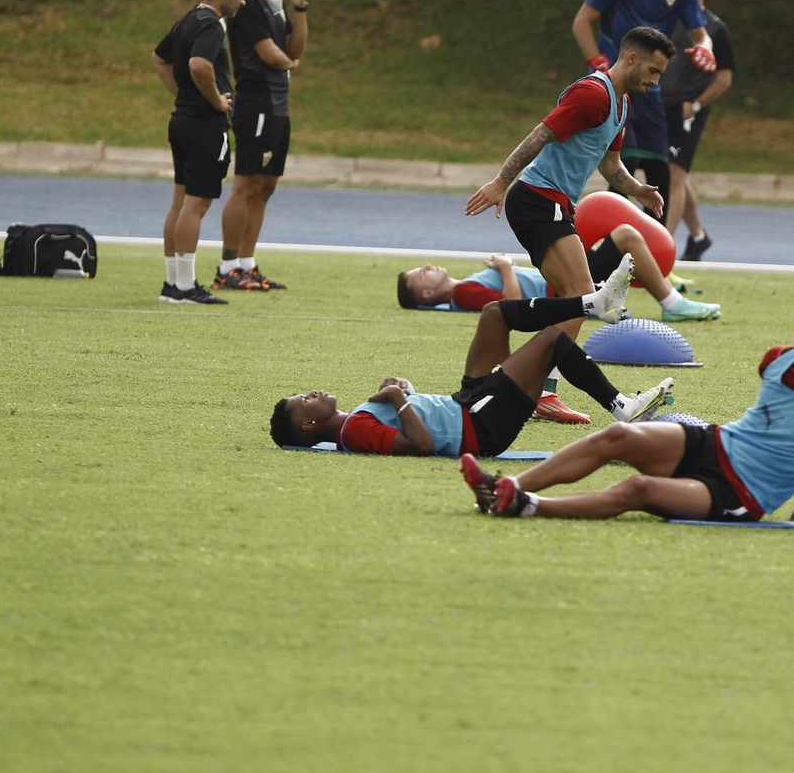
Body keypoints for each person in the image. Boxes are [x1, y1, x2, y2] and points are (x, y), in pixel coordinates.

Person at [459, 302, 794, 530]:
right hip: (714, 444)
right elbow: (793, 433)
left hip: (738, 493)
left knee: (638, 491)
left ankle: (527, 508)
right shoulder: (776, 359)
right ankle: (514, 485)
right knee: (618, 436)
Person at [270, 278, 676, 456]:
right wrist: (396, 397)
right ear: (308, 425)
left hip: (467, 405)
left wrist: (405, 393)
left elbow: (417, 423)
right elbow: (422, 446)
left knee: (494, 313)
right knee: (552, 339)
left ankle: (592, 304)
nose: (315, 392)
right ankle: (620, 405)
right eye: (306, 400)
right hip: (480, 427)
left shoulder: (355, 421)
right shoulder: (351, 431)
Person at [465, 25, 675, 342]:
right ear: (632, 58)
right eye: (653, 70)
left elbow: (610, 162)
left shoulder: (622, 102)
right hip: (538, 199)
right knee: (581, 297)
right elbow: (539, 135)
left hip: (552, 203)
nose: (656, 80)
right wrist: (500, 183)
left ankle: (535, 381)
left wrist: (636, 189)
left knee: (572, 301)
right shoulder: (593, 95)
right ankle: (530, 376)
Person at [570, 0, 716, 220]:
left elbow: (701, 34)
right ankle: (608, 244)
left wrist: (705, 49)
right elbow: (582, 21)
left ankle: (652, 258)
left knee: (659, 171)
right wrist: (596, 61)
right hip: (617, 87)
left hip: (648, 89)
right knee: (626, 161)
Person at [217, 0, 309, 292]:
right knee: (246, 183)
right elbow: (270, 54)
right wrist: (289, 63)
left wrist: (299, 7)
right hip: (255, 100)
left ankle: (247, 264)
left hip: (278, 104)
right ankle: (227, 268)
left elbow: (294, 48)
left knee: (266, 185)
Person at [151, 0, 246, 305]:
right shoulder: (211, 24)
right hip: (205, 125)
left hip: (182, 121)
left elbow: (159, 58)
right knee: (197, 204)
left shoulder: (188, 18)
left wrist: (183, 95)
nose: (243, 1)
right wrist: (215, 100)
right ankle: (186, 286)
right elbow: (198, 64)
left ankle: (173, 284)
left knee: (180, 203)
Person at [397, 228, 719, 322]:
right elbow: (509, 305)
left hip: (561, 284)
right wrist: (507, 267)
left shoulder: (465, 286)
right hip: (561, 289)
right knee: (626, 236)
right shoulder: (461, 293)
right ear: (427, 295)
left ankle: (607, 301)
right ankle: (671, 303)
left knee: (622, 238)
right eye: (420, 275)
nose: (427, 267)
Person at [662, 0, 734, 261]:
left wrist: (695, 105)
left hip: (687, 111)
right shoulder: (666, 21)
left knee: (674, 177)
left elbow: (724, 77)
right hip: (658, 106)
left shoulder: (715, 29)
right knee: (674, 173)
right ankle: (698, 236)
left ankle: (658, 248)